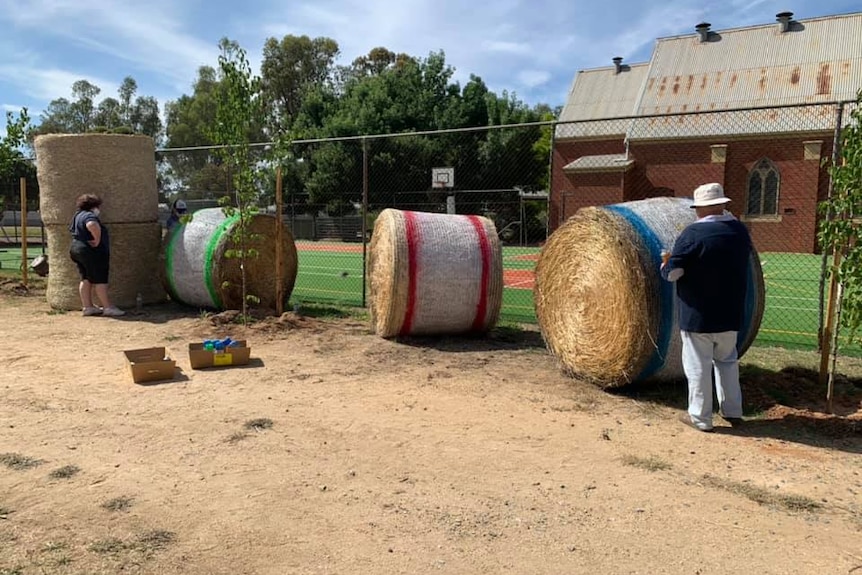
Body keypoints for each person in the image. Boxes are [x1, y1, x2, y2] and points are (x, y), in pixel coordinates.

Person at [660, 183, 752, 432]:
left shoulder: (692, 234)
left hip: (698, 315)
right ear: (722, 205)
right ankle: (733, 411)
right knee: (728, 362)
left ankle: (700, 417)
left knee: (697, 365)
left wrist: (665, 263)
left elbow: (673, 273)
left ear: (699, 209)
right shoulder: (739, 231)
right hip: (731, 312)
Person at [68, 194, 125, 317]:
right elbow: (91, 225)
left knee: (86, 278)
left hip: (76, 248)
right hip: (90, 251)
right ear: (94, 206)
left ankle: (88, 307)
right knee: (100, 279)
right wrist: (97, 239)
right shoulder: (89, 215)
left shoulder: (77, 215)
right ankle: (107, 307)